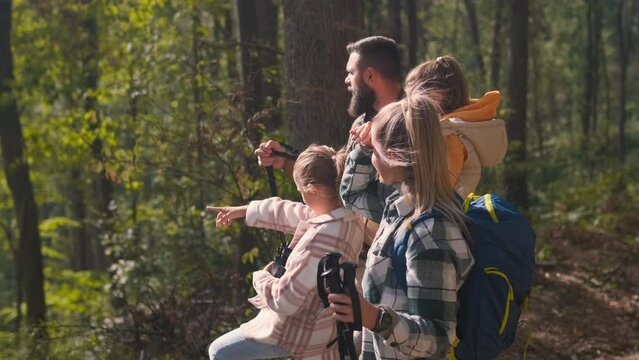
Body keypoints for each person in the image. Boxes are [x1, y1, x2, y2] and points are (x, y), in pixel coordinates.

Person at [330, 93, 474, 359]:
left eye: (374, 152)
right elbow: (353, 196)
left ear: (393, 155)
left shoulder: (430, 233)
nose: (372, 159)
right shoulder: (399, 206)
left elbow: (439, 337)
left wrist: (374, 318)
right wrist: (364, 146)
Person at [207, 145, 364, 360]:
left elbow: (284, 301)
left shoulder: (322, 239)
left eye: (300, 191)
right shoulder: (349, 218)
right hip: (325, 327)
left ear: (314, 190)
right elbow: (291, 211)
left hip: (302, 333)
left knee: (220, 352)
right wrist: (243, 210)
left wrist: (261, 276)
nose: (300, 196)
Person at [404, 55, 507, 197]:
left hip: (441, 215)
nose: (406, 107)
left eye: (411, 100)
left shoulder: (449, 136)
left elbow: (438, 190)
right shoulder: (450, 130)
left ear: (435, 98)